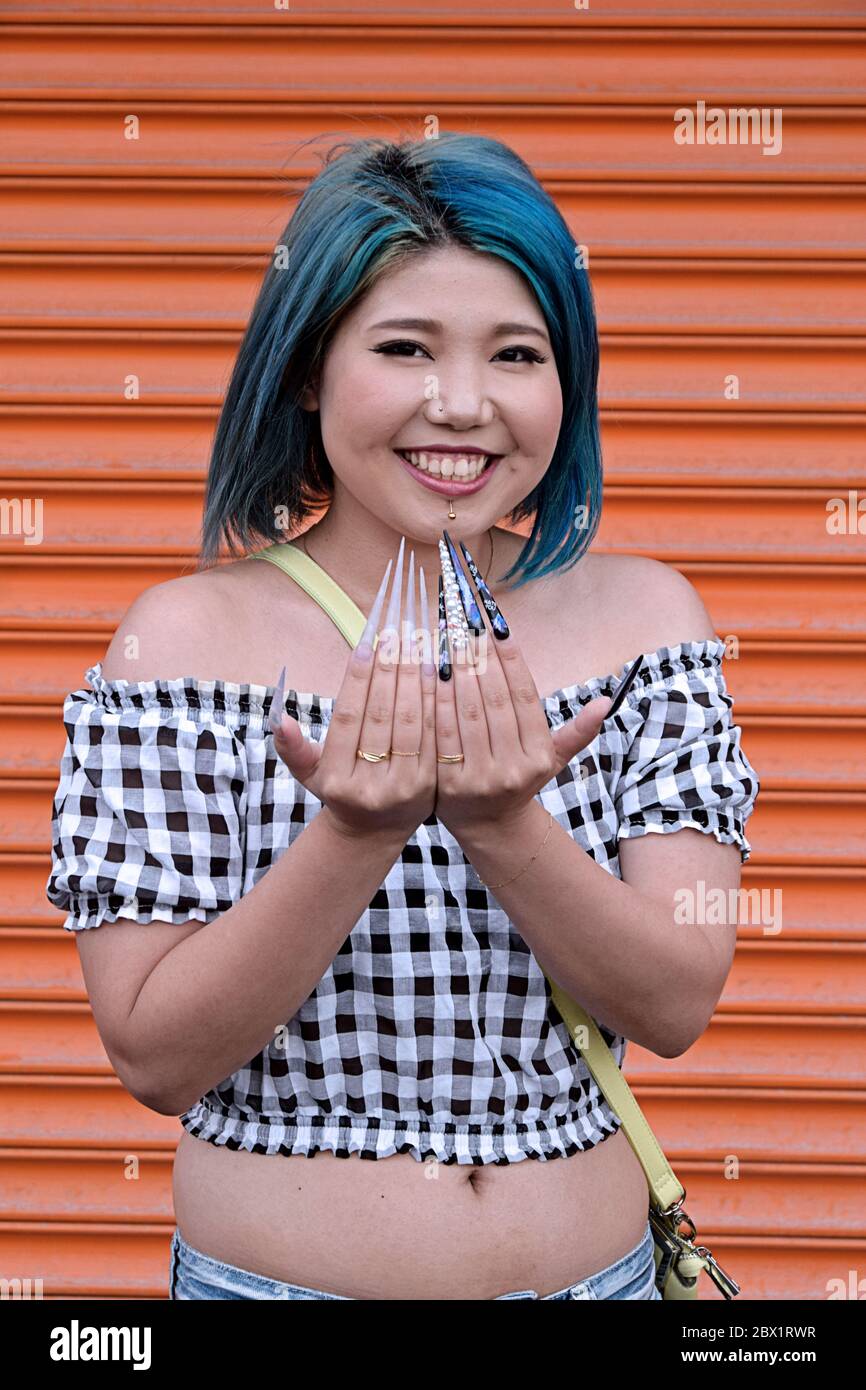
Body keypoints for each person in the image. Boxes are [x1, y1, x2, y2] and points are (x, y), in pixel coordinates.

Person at [46, 132, 760, 1301]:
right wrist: (353, 836)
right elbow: (154, 1053)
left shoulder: (646, 620)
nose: (462, 404)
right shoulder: (176, 641)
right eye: (404, 348)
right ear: (310, 370)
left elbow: (674, 1000)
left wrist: (502, 825)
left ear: (565, 380)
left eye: (516, 353)